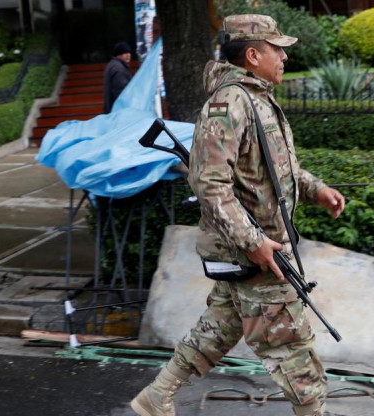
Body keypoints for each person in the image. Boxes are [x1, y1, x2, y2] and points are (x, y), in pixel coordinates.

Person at [130, 14, 345, 416]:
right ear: (252, 55)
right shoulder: (229, 104)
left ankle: (157, 397)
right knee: (291, 344)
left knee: (219, 328)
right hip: (254, 251)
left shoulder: (256, 98)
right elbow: (209, 184)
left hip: (254, 248)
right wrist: (255, 243)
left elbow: (276, 169)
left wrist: (316, 190)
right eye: (276, 48)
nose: (283, 56)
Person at [103, 41, 133, 113]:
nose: (128, 55)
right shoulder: (119, 69)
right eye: (125, 53)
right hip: (119, 111)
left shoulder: (113, 65)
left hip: (112, 110)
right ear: (118, 55)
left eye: (129, 53)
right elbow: (121, 92)